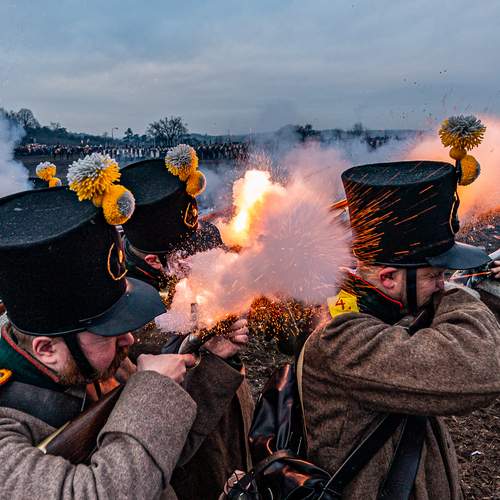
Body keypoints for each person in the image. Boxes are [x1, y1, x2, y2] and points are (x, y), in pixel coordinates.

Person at [301, 160, 500, 499]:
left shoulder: (384, 315)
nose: (443, 284)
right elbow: (484, 363)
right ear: (389, 278)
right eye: (435, 275)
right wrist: (459, 294)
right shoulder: (342, 340)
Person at [0, 186, 198, 499]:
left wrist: (214, 360)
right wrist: (151, 391)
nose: (129, 339)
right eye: (108, 332)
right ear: (47, 350)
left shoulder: (93, 361)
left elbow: (164, 456)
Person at [120, 148, 254, 500]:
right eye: (192, 258)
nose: (204, 263)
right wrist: (205, 349)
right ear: (154, 260)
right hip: (191, 468)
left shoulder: (184, 255)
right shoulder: (127, 320)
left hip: (231, 437)